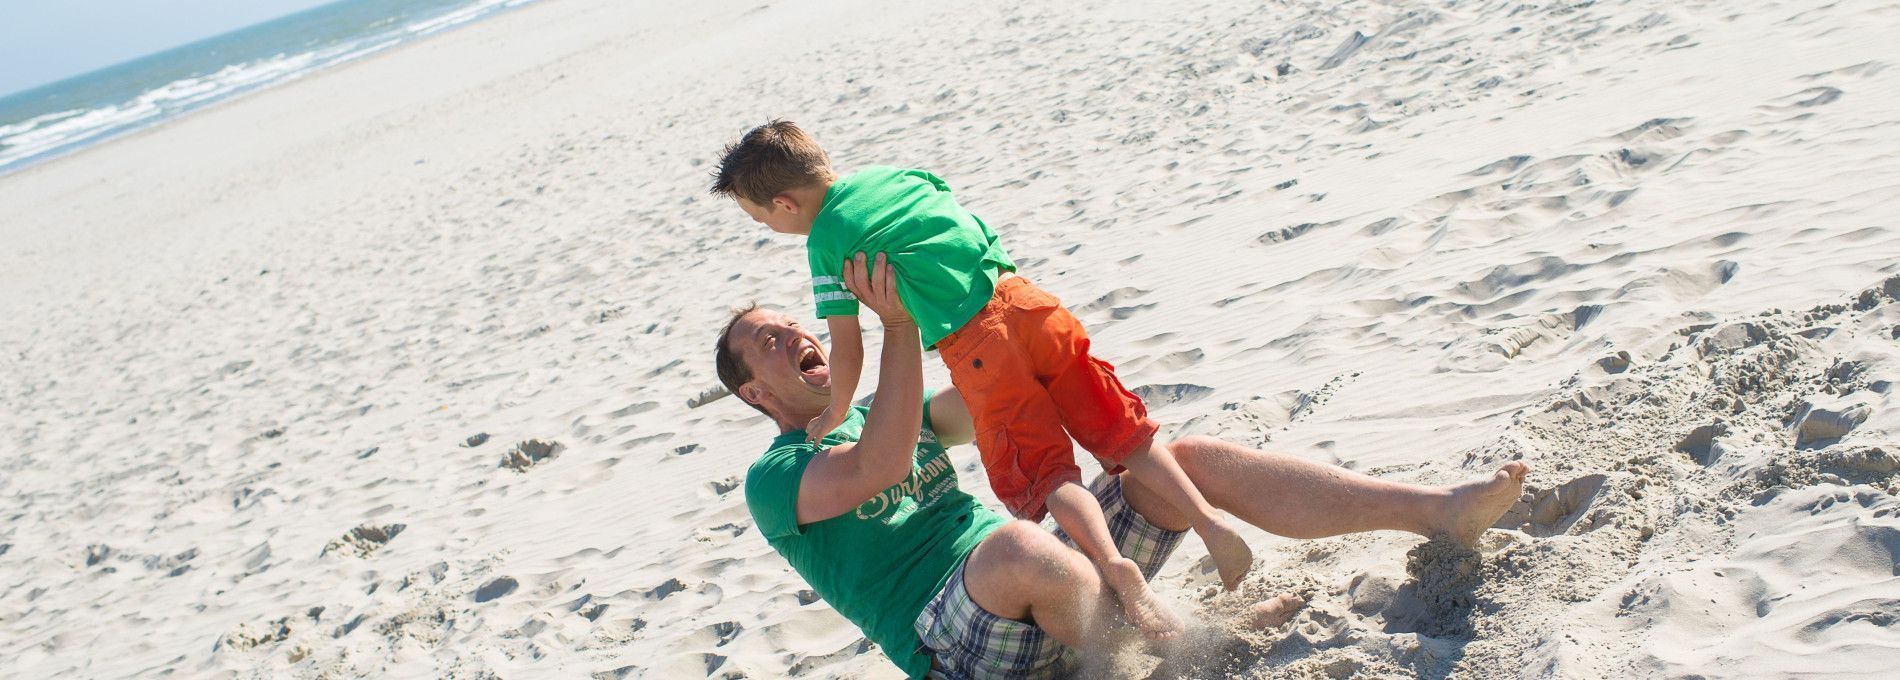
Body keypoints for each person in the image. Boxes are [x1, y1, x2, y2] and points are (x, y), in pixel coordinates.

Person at [717, 256, 1530, 679]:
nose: (792, 335)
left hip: (1054, 592)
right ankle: (1173, 656)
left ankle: (1437, 510)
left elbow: (993, 396)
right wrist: (891, 326)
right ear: (755, 392)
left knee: (1181, 465)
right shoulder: (777, 478)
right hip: (955, 645)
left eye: (792, 323)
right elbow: (884, 460)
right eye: (768, 341)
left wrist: (978, 308)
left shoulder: (877, 409)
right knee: (1016, 548)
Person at [710, 120, 1250, 637]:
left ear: (784, 204)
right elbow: (960, 216)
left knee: (1050, 474)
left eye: (763, 221)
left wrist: (837, 408)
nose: (770, 228)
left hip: (977, 343)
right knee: (1126, 432)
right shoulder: (898, 176)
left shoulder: (825, 242)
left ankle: (1114, 567)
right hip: (1027, 299)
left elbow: (846, 348)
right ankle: (1209, 522)